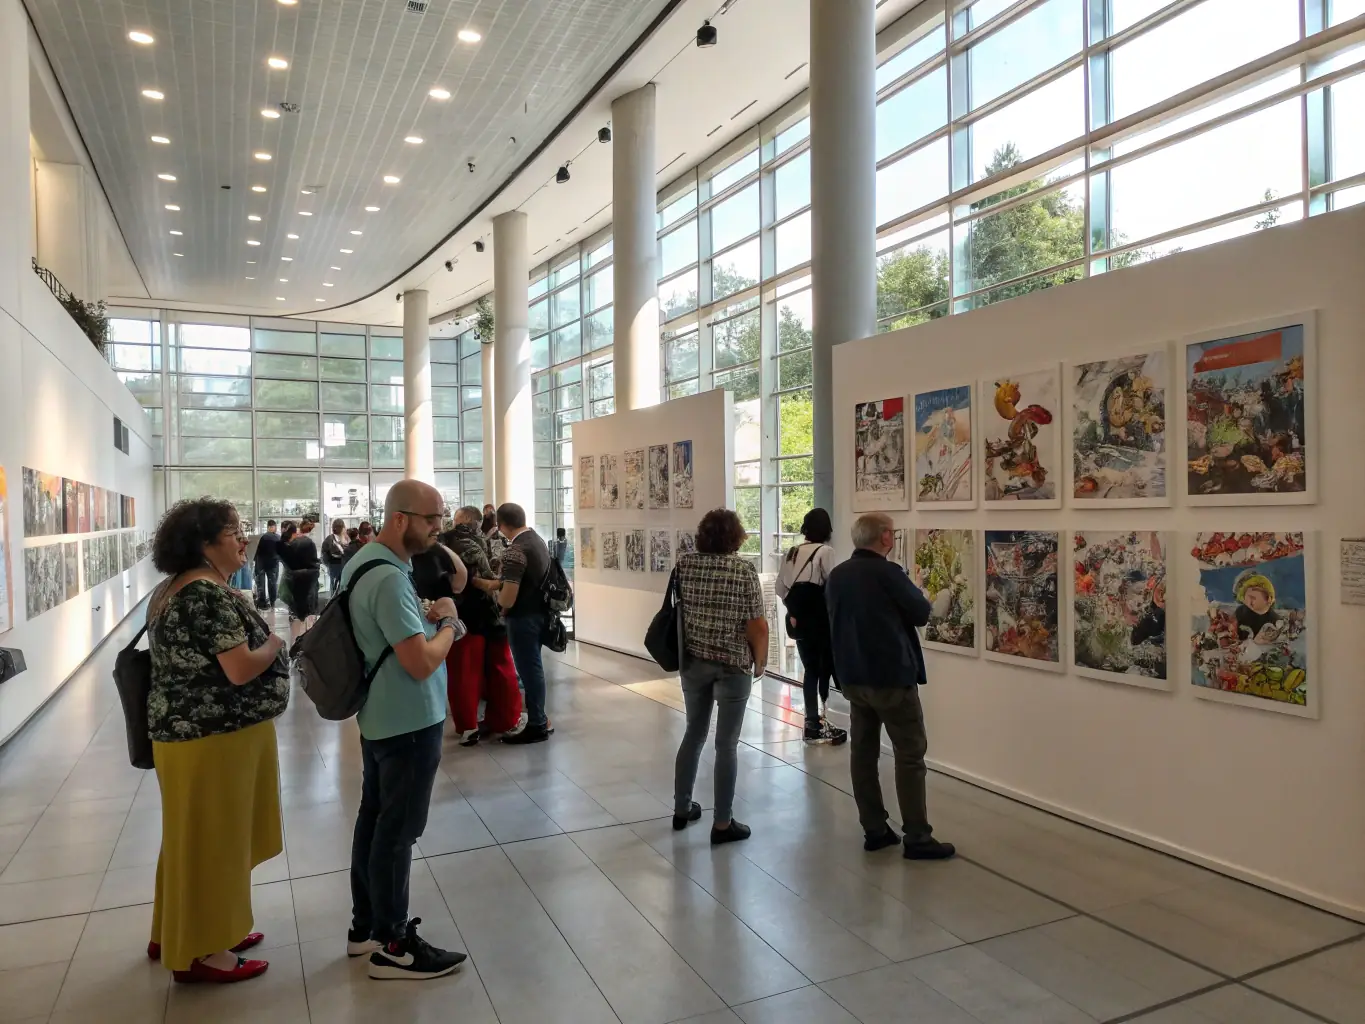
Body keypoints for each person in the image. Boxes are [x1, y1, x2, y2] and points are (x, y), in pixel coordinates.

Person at [144, 498, 289, 983]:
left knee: (189, 839)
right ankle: (204, 950)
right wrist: (274, 643)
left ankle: (178, 931)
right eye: (232, 532)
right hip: (212, 737)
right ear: (204, 544)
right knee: (214, 842)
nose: (243, 539)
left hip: (191, 737)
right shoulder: (204, 593)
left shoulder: (175, 586)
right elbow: (241, 667)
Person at [343, 479, 469, 981]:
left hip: (381, 718)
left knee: (375, 820)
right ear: (400, 519)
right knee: (397, 832)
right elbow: (420, 663)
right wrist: (449, 624)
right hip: (410, 721)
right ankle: (395, 942)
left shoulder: (365, 562)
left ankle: (366, 927)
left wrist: (425, 617)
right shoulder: (390, 580)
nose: (439, 527)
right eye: (431, 518)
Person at [826, 512, 955, 860]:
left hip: (853, 676)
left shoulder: (838, 575)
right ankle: (917, 835)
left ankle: (874, 828)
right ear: (884, 537)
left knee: (863, 753)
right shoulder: (887, 573)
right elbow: (921, 612)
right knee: (910, 754)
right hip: (891, 677)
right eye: (892, 534)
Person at [671, 508, 767, 845]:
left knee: (693, 733)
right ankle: (723, 823)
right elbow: (757, 624)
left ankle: (682, 808)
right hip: (732, 666)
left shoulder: (685, 564)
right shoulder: (743, 570)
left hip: (694, 661)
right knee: (726, 744)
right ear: (736, 537)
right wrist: (760, 661)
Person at [444, 506, 524, 745]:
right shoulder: (497, 541)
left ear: (461, 520)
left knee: (464, 674)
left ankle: (468, 726)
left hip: (466, 615)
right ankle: (506, 719)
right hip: (494, 614)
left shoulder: (448, 543)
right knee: (502, 670)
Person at [775, 508, 847, 745]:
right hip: (821, 620)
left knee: (810, 670)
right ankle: (824, 720)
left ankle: (811, 722)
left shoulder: (792, 551)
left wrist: (794, 611)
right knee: (826, 666)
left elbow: (780, 588)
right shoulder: (825, 551)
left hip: (799, 621)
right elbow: (833, 586)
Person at [491, 503, 555, 745]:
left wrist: (498, 599)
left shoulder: (515, 550)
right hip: (540, 614)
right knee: (534, 669)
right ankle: (541, 719)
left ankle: (536, 723)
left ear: (501, 525)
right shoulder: (537, 540)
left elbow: (508, 597)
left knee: (529, 672)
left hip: (522, 618)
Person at [279, 518, 320, 645]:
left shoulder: (290, 544)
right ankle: (306, 644)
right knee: (307, 617)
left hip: (294, 586)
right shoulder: (307, 543)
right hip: (306, 586)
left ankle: (295, 645)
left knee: (295, 617)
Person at [253, 520, 281, 607]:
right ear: (272, 527)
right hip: (273, 563)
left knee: (260, 583)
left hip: (260, 562)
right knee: (272, 583)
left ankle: (262, 602)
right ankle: (273, 602)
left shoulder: (261, 537)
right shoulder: (278, 537)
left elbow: (255, 551)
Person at [321, 518, 348, 594]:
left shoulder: (329, 539)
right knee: (341, 586)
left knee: (334, 586)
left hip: (333, 566)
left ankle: (334, 598)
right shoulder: (346, 538)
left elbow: (323, 554)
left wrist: (327, 564)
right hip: (341, 565)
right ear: (343, 527)